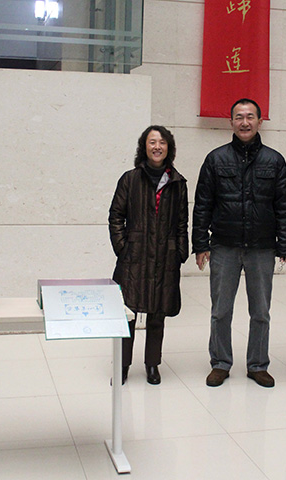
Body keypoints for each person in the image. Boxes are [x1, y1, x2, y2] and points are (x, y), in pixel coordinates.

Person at [192, 98, 286, 388]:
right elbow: (202, 205)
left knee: (260, 312)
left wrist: (285, 244)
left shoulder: (275, 160)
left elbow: (284, 206)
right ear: (231, 122)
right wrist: (200, 244)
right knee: (220, 310)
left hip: (262, 247)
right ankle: (220, 363)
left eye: (250, 117)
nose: (245, 122)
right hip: (224, 245)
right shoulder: (215, 159)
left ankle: (258, 365)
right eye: (239, 117)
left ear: (260, 121)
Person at [108, 125, 189, 385]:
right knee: (127, 314)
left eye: (162, 142)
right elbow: (116, 216)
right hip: (134, 257)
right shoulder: (130, 179)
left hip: (165, 257)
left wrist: (180, 252)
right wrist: (123, 247)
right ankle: (122, 365)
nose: (157, 147)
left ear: (169, 148)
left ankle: (152, 364)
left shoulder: (178, 183)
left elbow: (182, 222)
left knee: (158, 314)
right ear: (144, 147)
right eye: (152, 142)